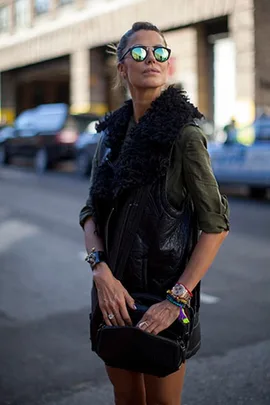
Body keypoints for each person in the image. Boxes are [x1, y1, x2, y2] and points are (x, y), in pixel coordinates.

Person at [79, 21, 229, 405]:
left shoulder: (185, 135)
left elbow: (216, 224)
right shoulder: (111, 134)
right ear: (122, 69)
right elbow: (90, 209)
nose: (152, 60)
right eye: (140, 53)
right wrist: (100, 271)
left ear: (169, 66)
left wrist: (176, 299)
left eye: (160, 52)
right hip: (113, 298)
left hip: (164, 300)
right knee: (126, 398)